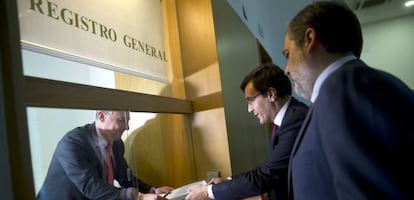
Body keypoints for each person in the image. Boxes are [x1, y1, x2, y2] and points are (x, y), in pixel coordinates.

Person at [283, 1, 414, 199]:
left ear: (310, 39)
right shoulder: (357, 85)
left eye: (288, 54)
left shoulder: (342, 91)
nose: (286, 69)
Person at [185, 63, 309, 200]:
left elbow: (267, 176)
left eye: (251, 101)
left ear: (271, 94)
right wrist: (229, 181)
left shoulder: (296, 120)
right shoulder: (288, 119)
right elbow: (268, 169)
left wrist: (208, 192)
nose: (249, 109)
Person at [37, 110, 173, 200]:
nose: (127, 127)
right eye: (122, 120)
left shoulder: (117, 143)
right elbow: (91, 186)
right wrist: (138, 197)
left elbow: (125, 177)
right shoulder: (73, 143)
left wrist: (152, 190)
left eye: (128, 120)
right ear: (102, 116)